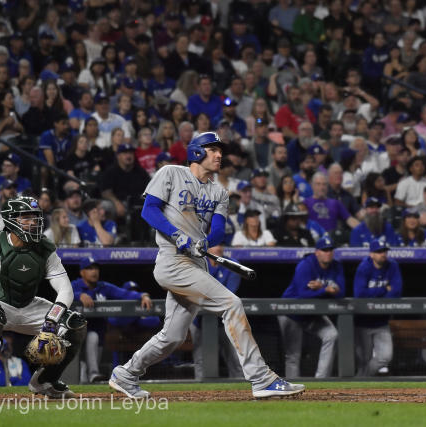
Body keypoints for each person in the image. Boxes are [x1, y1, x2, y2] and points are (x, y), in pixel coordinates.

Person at [108, 132, 304, 399]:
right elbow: (149, 210)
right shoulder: (171, 173)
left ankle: (126, 374)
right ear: (197, 152)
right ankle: (261, 379)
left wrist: (205, 242)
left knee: (173, 337)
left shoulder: (219, 191)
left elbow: (220, 230)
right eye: (213, 149)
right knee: (231, 304)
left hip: (197, 262)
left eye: (220, 150)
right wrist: (180, 237)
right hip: (173, 261)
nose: (219, 154)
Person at [0, 196, 86, 400]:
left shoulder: (45, 247)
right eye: (26, 217)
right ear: (10, 220)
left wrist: (51, 321)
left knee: (75, 325)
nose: (33, 222)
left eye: (35, 217)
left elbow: (66, 290)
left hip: (30, 305)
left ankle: (44, 381)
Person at [72, 257, 152, 383]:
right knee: (90, 345)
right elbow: (62, 293)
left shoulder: (103, 287)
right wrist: (78, 295)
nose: (94, 271)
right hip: (76, 335)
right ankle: (92, 374)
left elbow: (123, 294)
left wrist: (142, 295)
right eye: (89, 268)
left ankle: (91, 380)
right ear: (82, 272)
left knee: (93, 346)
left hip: (99, 333)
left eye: (96, 268)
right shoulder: (75, 286)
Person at [278, 235, 343, 378]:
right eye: (324, 250)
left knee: (332, 335)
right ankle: (292, 389)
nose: (328, 253)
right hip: (291, 312)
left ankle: (321, 380)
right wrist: (326, 289)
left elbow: (341, 291)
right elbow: (303, 293)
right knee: (293, 355)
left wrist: (321, 287)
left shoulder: (336, 266)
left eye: (330, 250)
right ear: (317, 252)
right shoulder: (306, 264)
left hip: (311, 313)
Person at [189, 245, 243, 380]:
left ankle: (240, 392)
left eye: (220, 245)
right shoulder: (197, 263)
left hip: (225, 318)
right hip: (198, 319)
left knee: (235, 360)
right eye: (213, 245)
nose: (218, 248)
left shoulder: (233, 264)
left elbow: (228, 293)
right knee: (201, 359)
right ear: (206, 248)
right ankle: (201, 393)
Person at [353, 239, 403, 376]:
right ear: (371, 254)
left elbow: (396, 291)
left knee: (385, 357)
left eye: (384, 251)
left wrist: (377, 296)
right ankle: (362, 387)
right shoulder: (364, 267)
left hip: (382, 322)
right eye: (379, 252)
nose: (383, 254)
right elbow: (360, 294)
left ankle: (360, 380)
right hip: (363, 322)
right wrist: (383, 289)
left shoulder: (392, 266)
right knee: (364, 360)